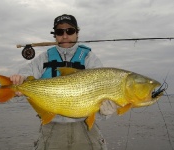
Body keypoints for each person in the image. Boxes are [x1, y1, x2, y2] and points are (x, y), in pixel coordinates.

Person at [10, 14, 117, 150]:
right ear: (55, 35)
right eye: (60, 32)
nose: (65, 36)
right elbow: (27, 72)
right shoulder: (44, 57)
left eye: (70, 31)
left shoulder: (90, 58)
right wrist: (20, 79)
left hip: (85, 126)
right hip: (51, 126)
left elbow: (103, 87)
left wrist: (104, 112)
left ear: (77, 34)